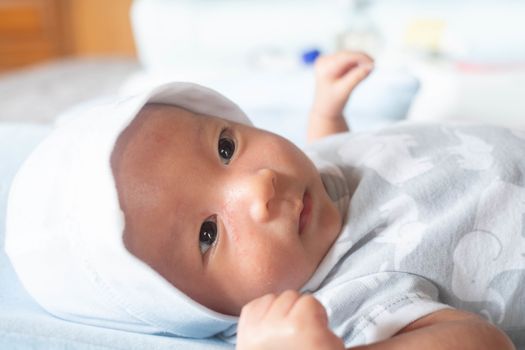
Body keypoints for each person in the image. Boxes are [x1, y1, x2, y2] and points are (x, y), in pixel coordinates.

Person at [5, 52, 522, 349]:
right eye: (208, 233)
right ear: (205, 310)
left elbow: (323, 154)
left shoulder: (302, 186)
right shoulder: (336, 304)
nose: (259, 186)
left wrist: (327, 110)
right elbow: (482, 344)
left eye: (226, 147)